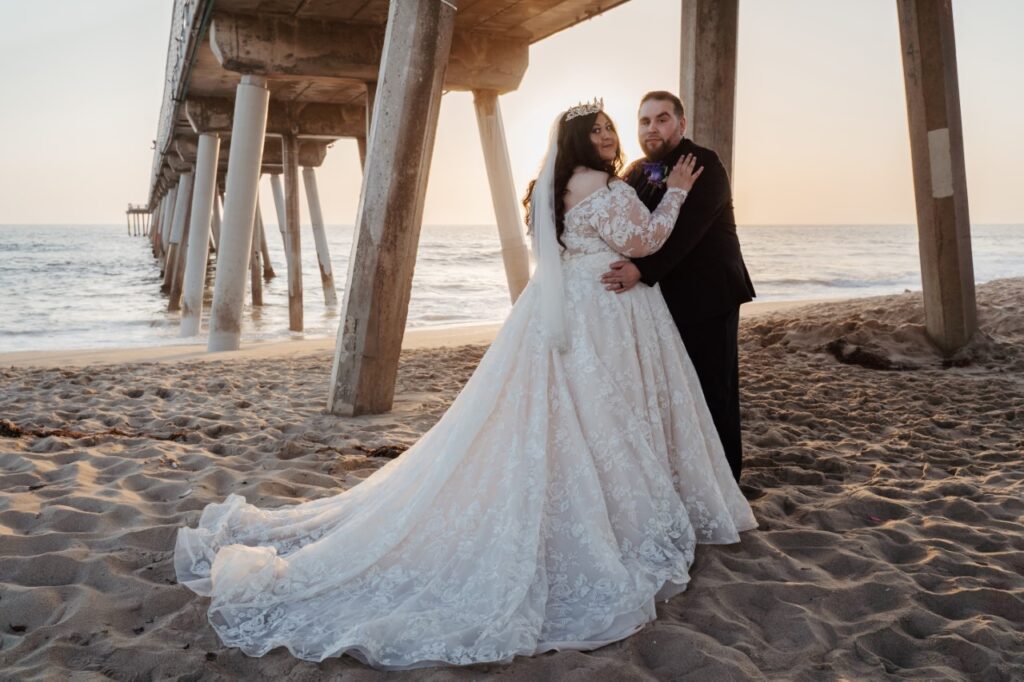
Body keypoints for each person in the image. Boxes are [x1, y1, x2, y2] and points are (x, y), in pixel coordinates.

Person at [174, 101, 756, 670]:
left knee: (582, 416)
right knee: (600, 415)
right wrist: (674, 191)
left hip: (580, 310)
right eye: (601, 129)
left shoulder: (563, 185)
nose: (611, 136)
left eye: (612, 128)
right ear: (580, 141)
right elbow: (645, 243)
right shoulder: (601, 184)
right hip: (599, 312)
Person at [601, 91, 755, 483]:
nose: (653, 128)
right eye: (645, 121)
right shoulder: (636, 171)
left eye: (662, 119)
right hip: (662, 299)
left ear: (681, 124)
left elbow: (688, 230)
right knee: (673, 393)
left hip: (710, 296)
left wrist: (641, 270)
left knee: (712, 391)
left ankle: (726, 483)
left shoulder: (704, 163)